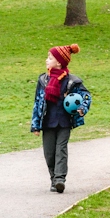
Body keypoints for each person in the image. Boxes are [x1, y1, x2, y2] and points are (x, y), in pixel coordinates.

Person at [30, 43, 88, 193]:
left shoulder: (72, 81)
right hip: (47, 122)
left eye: (50, 58)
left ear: (59, 62)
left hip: (64, 122)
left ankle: (60, 179)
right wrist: (35, 125)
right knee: (49, 153)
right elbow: (37, 102)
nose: (46, 60)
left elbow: (85, 96)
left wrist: (82, 108)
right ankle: (53, 179)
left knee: (60, 149)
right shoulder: (43, 80)